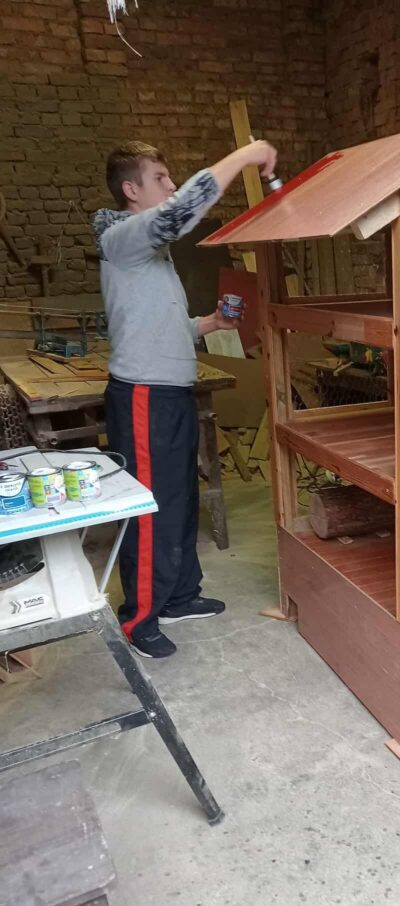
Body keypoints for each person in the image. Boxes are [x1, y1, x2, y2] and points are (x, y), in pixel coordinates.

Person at [93, 138, 277, 658]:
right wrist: (244, 157)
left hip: (170, 391)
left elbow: (159, 324)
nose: (170, 185)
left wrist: (209, 324)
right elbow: (180, 211)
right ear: (131, 189)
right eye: (159, 177)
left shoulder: (151, 252)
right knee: (151, 507)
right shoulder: (123, 238)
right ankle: (139, 619)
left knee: (179, 498)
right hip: (143, 394)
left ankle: (177, 596)